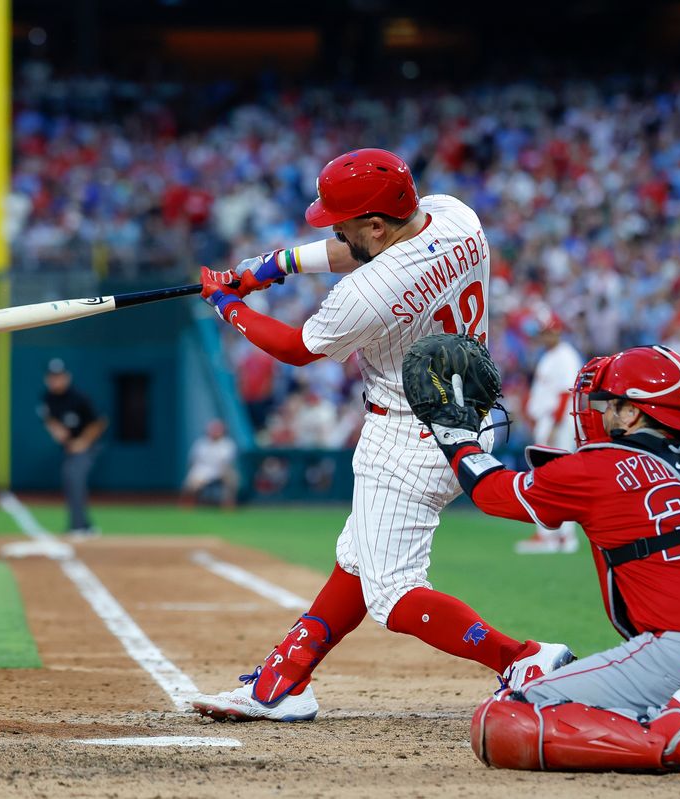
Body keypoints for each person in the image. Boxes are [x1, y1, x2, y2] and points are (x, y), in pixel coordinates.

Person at [191, 148, 571, 722]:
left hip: (407, 435)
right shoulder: (455, 215)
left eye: (345, 226)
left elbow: (297, 349)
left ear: (375, 224)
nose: (337, 233)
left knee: (391, 592)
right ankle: (283, 681)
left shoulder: (369, 292)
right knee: (357, 560)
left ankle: (522, 658)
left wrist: (228, 304)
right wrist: (275, 265)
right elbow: (362, 247)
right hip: (466, 414)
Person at [413, 341, 680, 777]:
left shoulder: (597, 467)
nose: (598, 413)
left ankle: (677, 738)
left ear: (633, 413)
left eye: (608, 404)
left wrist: (454, 435)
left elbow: (491, 491)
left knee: (501, 719)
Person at [515, 311, 584, 554]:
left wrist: (554, 427)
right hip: (551, 421)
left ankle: (553, 535)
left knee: (552, 479)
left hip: (559, 424)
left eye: (548, 332)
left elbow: (566, 394)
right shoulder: (551, 356)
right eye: (543, 333)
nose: (544, 337)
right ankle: (559, 536)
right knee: (554, 480)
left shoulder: (565, 356)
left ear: (557, 331)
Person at [38, 359, 108, 537]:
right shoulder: (48, 397)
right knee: (70, 478)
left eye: (59, 377)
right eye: (52, 377)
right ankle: (85, 525)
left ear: (67, 377)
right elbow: (48, 417)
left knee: (74, 474)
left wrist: (82, 443)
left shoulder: (79, 398)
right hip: (70, 447)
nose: (56, 380)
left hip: (89, 444)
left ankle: (78, 527)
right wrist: (55, 428)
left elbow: (99, 423)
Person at [181, 419, 239, 509]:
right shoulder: (200, 443)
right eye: (213, 429)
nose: (215, 432)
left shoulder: (228, 444)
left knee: (232, 476)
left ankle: (228, 504)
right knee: (191, 479)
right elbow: (192, 461)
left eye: (217, 430)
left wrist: (222, 472)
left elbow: (228, 463)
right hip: (202, 471)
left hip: (221, 471)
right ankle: (188, 503)